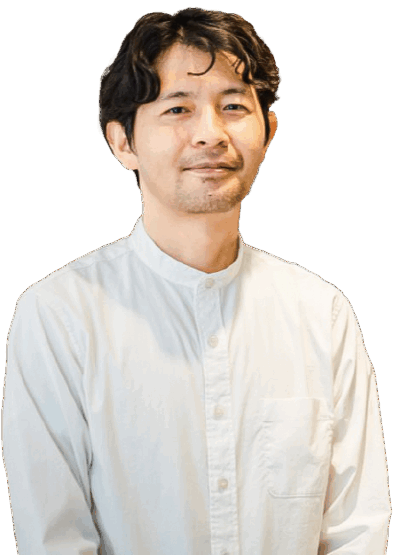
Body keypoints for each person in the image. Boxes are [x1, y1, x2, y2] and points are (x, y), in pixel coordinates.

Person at [2, 8, 391, 554]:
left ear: (268, 132)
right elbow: (55, 539)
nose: (211, 133)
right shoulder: (60, 314)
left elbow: (356, 530)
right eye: (178, 108)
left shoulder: (320, 312)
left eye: (233, 106)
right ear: (123, 142)